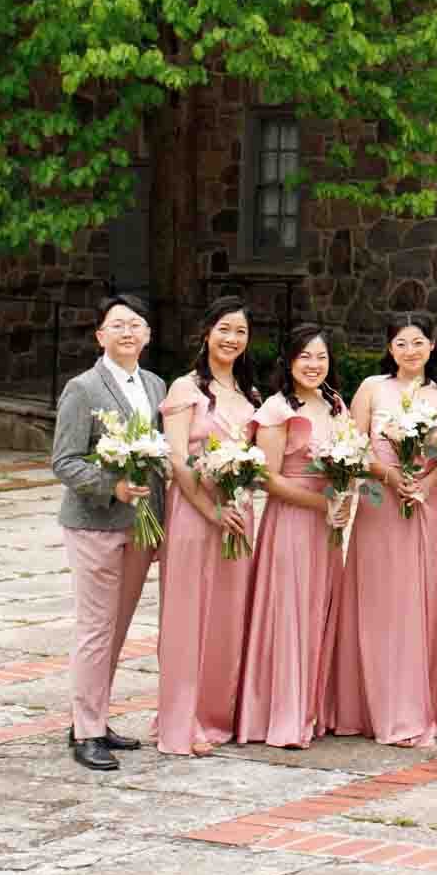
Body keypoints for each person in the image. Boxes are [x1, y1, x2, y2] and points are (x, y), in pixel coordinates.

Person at [51, 293, 166, 775]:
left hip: (141, 525)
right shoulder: (83, 388)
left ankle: (93, 715)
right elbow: (64, 461)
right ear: (100, 335)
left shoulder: (156, 385)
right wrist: (111, 486)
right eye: (117, 324)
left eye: (135, 324)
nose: (127, 332)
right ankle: (87, 733)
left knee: (117, 628)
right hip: (95, 523)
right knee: (95, 628)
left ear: (147, 335)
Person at [332, 312, 437, 746]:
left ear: (432, 345)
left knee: (417, 600)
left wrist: (425, 484)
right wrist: (388, 475)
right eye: (401, 343)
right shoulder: (372, 387)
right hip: (379, 504)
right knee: (380, 600)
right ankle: (370, 706)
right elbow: (352, 446)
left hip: (422, 504)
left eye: (418, 342)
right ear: (390, 348)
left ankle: (415, 706)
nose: (410, 351)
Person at [236, 323, 352, 749]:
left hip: (327, 527)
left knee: (319, 609)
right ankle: (283, 715)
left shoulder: (336, 404)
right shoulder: (276, 409)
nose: (313, 364)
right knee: (290, 612)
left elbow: (351, 460)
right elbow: (267, 478)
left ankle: (313, 708)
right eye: (304, 356)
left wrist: (346, 496)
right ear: (288, 361)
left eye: (321, 356)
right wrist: (321, 504)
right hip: (291, 521)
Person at [157, 295, 259, 757]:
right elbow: (178, 459)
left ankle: (218, 714)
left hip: (238, 512)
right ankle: (182, 720)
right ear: (206, 333)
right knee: (188, 613)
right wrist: (210, 510)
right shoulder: (186, 388)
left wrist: (236, 499)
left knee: (227, 614)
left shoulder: (249, 394)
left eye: (240, 332)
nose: (232, 339)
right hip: (195, 510)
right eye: (224, 329)